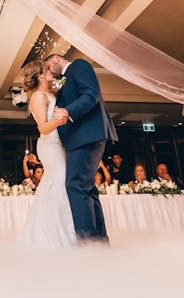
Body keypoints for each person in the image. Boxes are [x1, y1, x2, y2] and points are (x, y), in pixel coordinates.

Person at [46, 53, 118, 243]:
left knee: (75, 185)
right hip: (82, 138)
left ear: (56, 58)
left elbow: (91, 94)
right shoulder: (65, 78)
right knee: (87, 188)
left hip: (86, 136)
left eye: (48, 67)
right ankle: (99, 241)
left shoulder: (78, 65)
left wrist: (68, 111)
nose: (50, 74)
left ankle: (87, 241)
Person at [19, 60, 76, 247]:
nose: (52, 71)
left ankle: (58, 230)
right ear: (41, 75)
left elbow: (64, 83)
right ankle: (54, 235)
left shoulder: (49, 92)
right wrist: (61, 120)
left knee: (57, 185)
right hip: (49, 144)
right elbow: (43, 127)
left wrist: (69, 74)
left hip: (58, 144)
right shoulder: (38, 96)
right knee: (60, 183)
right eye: (48, 69)